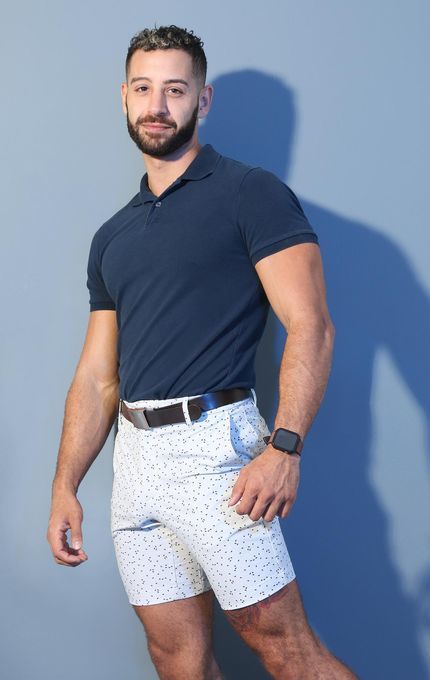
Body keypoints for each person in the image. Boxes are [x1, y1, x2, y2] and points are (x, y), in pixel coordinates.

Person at [47, 24, 358, 680]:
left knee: (284, 648)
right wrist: (65, 486)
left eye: (175, 89)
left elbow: (312, 325)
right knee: (176, 658)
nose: (157, 105)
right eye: (143, 89)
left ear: (202, 100)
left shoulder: (250, 193)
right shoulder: (113, 235)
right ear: (124, 98)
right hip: (136, 464)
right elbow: (97, 376)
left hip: (215, 449)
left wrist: (285, 447)